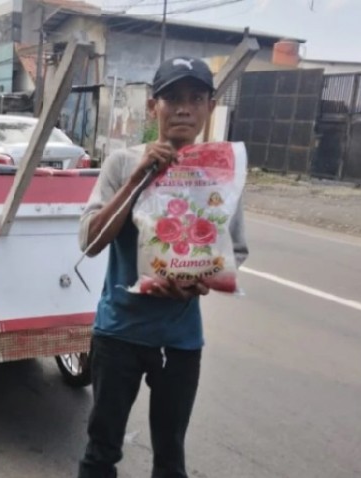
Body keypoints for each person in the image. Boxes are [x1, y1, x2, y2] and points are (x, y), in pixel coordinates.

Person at [77, 56, 249, 478]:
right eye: (172, 97)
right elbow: (92, 242)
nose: (184, 108)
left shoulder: (219, 172)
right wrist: (140, 176)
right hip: (119, 334)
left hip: (180, 340)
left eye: (196, 98)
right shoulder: (122, 163)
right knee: (102, 450)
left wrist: (196, 283)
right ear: (154, 106)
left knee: (170, 456)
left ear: (210, 106)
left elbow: (233, 250)